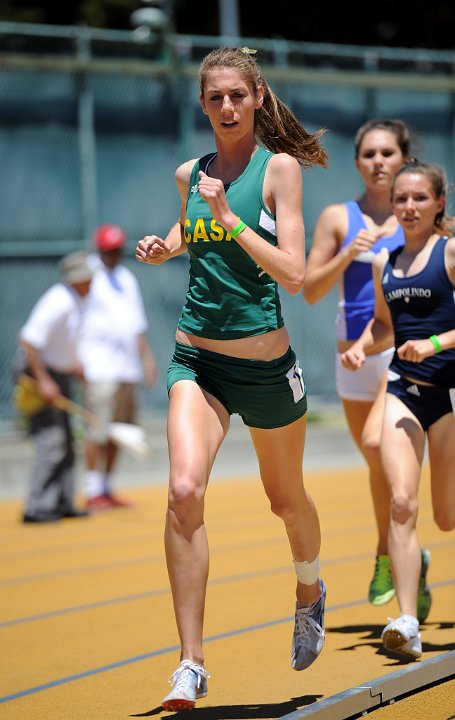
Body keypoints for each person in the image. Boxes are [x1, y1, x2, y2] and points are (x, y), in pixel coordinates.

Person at [135, 46, 328, 710]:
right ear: (203, 104)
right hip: (197, 360)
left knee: (286, 502)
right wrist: (167, 244)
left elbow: (295, 274)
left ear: (256, 98)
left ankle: (309, 589)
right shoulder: (190, 173)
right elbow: (189, 228)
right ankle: (190, 662)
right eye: (213, 98)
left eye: (235, 96)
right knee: (183, 492)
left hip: (265, 368)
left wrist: (227, 219)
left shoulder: (278, 171)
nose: (225, 107)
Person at [302, 119, 431, 622]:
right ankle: (406, 551)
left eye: (388, 153)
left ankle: (389, 551)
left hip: (400, 349)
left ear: (404, 160)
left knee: (382, 446)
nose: (378, 161)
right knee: (378, 464)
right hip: (350, 355)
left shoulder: (418, 213)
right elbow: (309, 289)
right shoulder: (339, 217)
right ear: (357, 162)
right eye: (369, 154)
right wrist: (348, 255)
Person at [341, 160, 455, 659]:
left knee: (447, 516)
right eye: (401, 199)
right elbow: (385, 327)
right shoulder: (382, 263)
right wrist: (362, 347)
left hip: (449, 396)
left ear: (439, 204)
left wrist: (434, 343)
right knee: (402, 503)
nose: (409, 207)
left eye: (419, 199)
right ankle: (408, 623)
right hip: (403, 392)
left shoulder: (450, 253)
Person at [78, 223, 158, 511]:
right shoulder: (86, 274)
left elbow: (136, 324)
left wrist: (147, 359)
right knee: (96, 429)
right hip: (98, 367)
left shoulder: (126, 278)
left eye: (117, 250)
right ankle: (91, 489)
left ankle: (107, 487)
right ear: (99, 249)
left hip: (127, 368)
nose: (114, 255)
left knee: (120, 430)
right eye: (109, 250)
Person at [17, 251, 93, 523]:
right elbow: (28, 341)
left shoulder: (76, 300)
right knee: (51, 442)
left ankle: (62, 501)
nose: (92, 281)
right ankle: (36, 506)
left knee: (68, 443)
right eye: (88, 277)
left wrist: (75, 366)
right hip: (38, 375)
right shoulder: (58, 301)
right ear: (76, 279)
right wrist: (44, 381)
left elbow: (63, 342)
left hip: (58, 375)